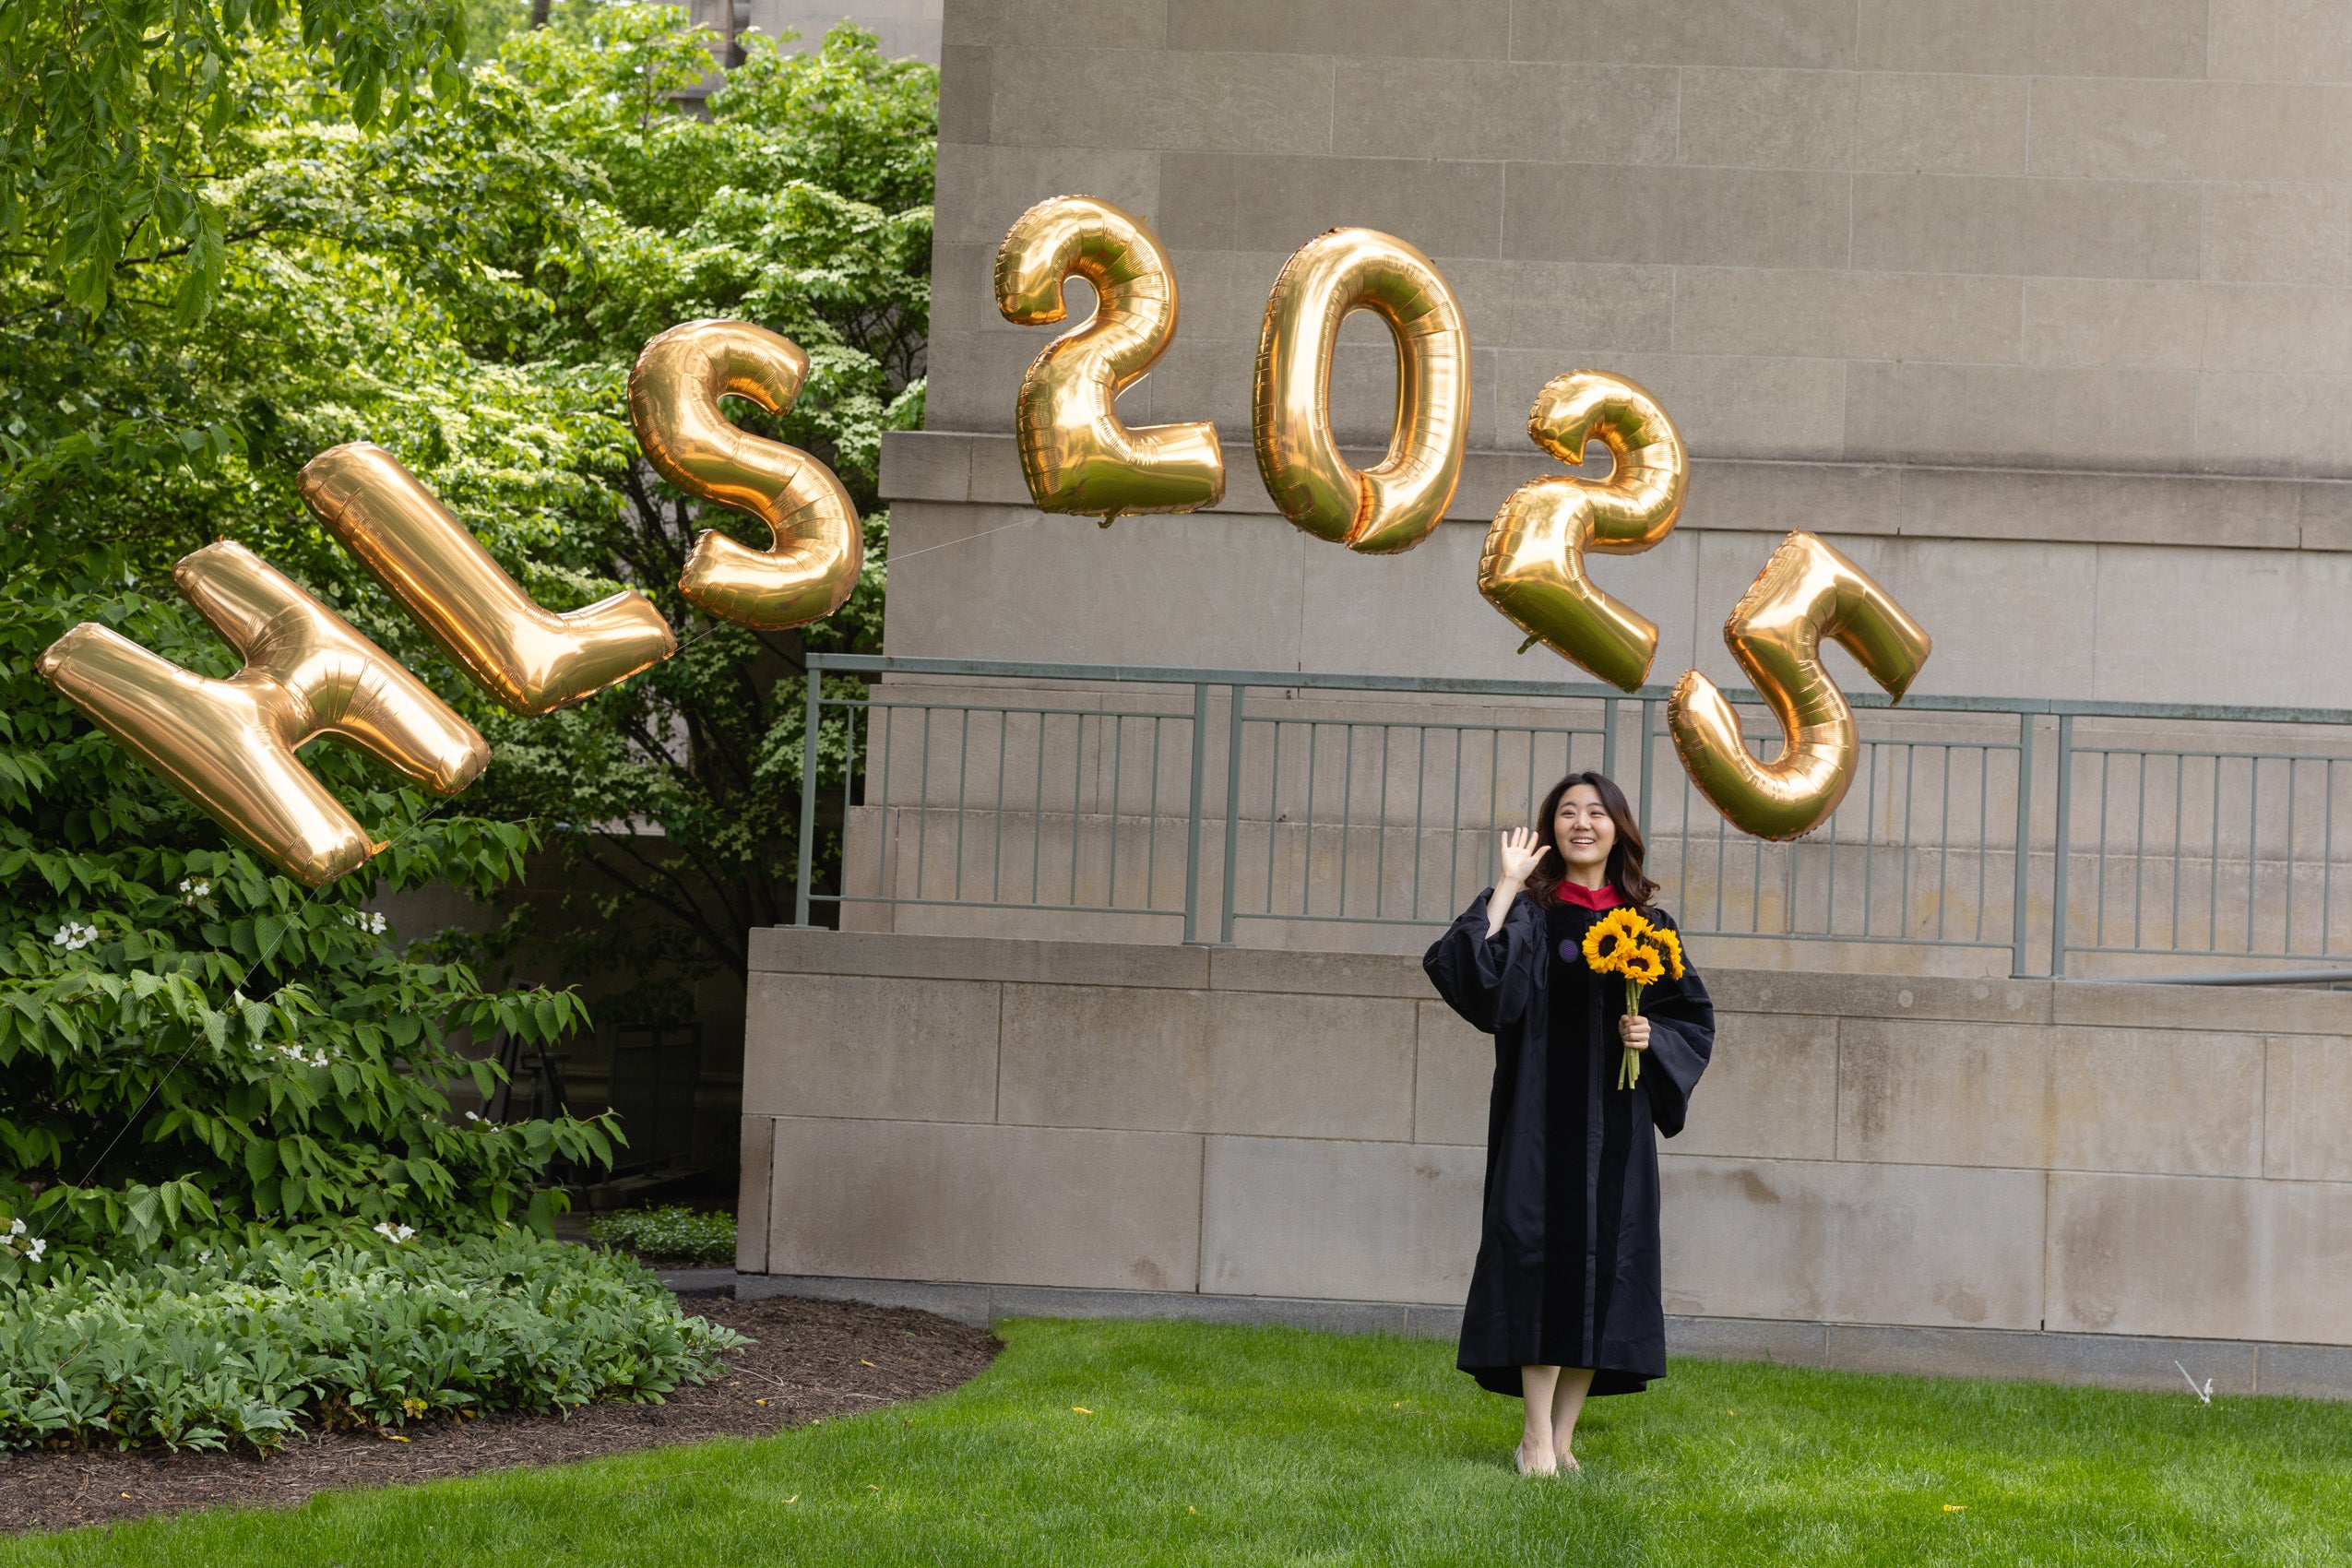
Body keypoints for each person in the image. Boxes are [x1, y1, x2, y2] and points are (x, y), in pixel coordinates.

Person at [1422, 771, 1715, 1477]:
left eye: (1596, 813)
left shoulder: (1649, 925)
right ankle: (1532, 1438)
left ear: (1619, 827)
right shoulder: (1530, 910)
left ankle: (1563, 1437)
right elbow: (1478, 980)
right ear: (1552, 830)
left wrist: (1653, 1038)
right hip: (1539, 1121)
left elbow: (1691, 1019)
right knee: (1540, 1259)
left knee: (1605, 1266)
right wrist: (1505, 885)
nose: (1581, 824)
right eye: (1567, 813)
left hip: (1617, 1124)